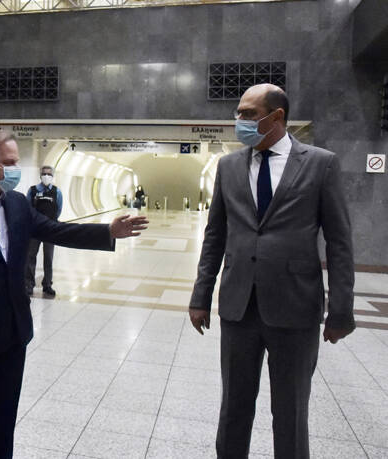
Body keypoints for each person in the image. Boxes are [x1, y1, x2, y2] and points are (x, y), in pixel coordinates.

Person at [0, 131, 148, 459]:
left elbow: (57, 231)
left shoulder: (17, 203)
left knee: (3, 420)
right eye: (9, 163)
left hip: (12, 333)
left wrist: (108, 231)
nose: (16, 169)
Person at [189, 84, 354, 459]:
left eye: (248, 114)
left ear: (277, 117)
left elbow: (340, 242)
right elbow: (215, 236)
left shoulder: (320, 164)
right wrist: (200, 296)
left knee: (291, 412)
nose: (240, 120)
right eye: (239, 113)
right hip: (238, 307)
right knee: (233, 407)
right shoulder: (229, 166)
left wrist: (341, 311)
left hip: (295, 308)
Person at [24, 165, 63, 297]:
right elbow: (28, 208)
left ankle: (47, 285)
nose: (46, 176)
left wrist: (52, 222)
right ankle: (29, 284)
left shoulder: (57, 192)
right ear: (40, 175)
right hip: (34, 230)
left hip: (50, 229)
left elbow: (58, 209)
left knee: (48, 258)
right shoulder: (33, 191)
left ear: (52, 176)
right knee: (30, 257)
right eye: (44, 174)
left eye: (49, 174)